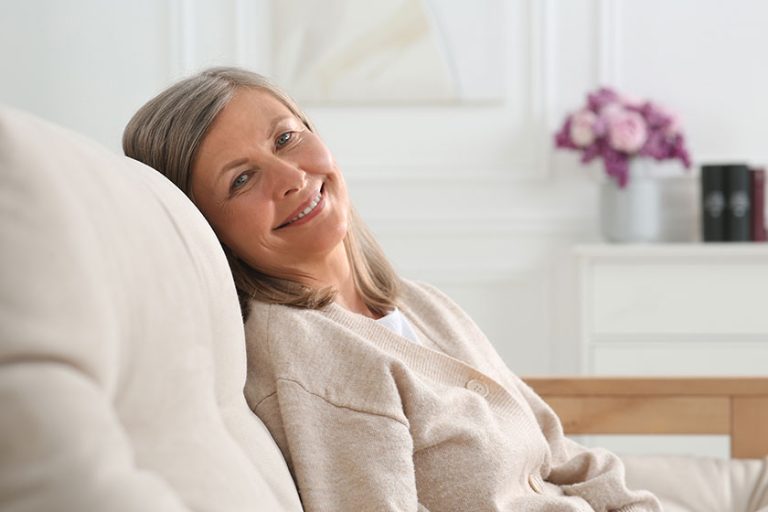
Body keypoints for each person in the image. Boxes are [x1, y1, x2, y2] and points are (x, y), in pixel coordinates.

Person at [123, 66, 661, 512]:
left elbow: (557, 453)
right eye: (240, 179)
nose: (288, 177)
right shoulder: (310, 359)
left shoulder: (418, 303)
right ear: (210, 229)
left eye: (287, 137)